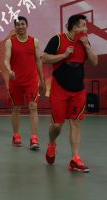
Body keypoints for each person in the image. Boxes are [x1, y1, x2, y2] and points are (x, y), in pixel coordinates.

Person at [41, 14, 98, 173]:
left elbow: (94, 62)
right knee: (57, 125)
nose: (86, 28)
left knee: (75, 122)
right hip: (59, 88)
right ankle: (52, 144)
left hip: (78, 90)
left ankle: (75, 159)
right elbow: (44, 58)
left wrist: (87, 46)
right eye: (84, 25)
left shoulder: (84, 41)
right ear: (75, 27)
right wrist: (64, 55)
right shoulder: (57, 40)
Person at [3, 16, 45, 149]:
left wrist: (42, 79)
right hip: (15, 81)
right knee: (16, 108)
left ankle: (34, 138)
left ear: (27, 25)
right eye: (17, 25)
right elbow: (6, 59)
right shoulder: (10, 42)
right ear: (15, 27)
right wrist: (9, 70)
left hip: (31, 80)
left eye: (22, 24)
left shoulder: (34, 41)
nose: (20, 26)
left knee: (33, 107)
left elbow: (38, 61)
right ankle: (16, 135)